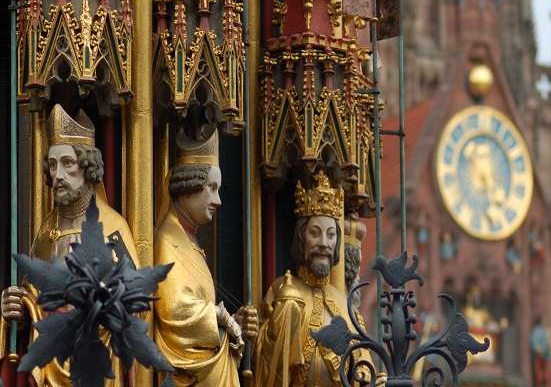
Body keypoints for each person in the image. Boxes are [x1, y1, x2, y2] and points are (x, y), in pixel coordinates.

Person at [0, 104, 139, 386]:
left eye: (67, 163)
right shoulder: (47, 231)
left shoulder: (112, 227)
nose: (58, 175)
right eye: (52, 165)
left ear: (88, 167)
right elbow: (33, 295)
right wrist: (18, 307)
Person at [154, 127, 257, 386]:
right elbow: (175, 310)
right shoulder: (169, 242)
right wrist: (223, 320)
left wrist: (234, 322)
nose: (218, 200)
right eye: (211, 188)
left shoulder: (189, 240)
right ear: (188, 186)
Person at [255, 170, 376, 386]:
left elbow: (364, 369)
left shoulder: (345, 305)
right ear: (301, 239)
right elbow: (266, 365)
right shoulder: (282, 289)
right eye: (315, 233)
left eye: (331, 235)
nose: (324, 243)